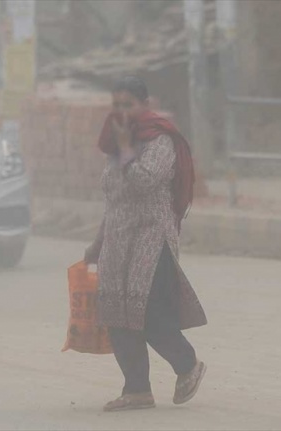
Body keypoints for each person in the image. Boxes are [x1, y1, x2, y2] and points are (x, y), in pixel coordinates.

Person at [84, 75, 207, 412]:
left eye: (129, 105)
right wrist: (98, 243)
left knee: (150, 314)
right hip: (118, 241)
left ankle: (188, 365)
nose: (122, 112)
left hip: (151, 240)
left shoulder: (159, 140)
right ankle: (136, 390)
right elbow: (115, 198)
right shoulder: (117, 144)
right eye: (116, 105)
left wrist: (126, 150)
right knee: (117, 315)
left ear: (145, 105)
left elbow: (144, 181)